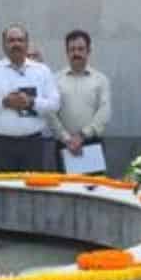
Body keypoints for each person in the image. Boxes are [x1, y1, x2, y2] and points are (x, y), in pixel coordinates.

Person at [0, 25, 60, 172]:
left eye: (20, 40)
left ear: (27, 44)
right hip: (0, 145)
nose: (16, 44)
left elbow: (55, 104)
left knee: (32, 192)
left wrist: (32, 102)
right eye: (11, 40)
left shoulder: (42, 71)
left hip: (33, 145)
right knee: (2, 191)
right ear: (4, 45)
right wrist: (3, 102)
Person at [48, 30, 111, 173]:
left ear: (89, 51)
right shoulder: (54, 80)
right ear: (66, 52)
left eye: (81, 49)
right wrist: (67, 138)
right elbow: (50, 113)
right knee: (66, 190)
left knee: (94, 190)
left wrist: (82, 135)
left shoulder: (100, 80)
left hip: (92, 143)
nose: (76, 53)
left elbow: (104, 112)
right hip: (64, 144)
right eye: (72, 49)